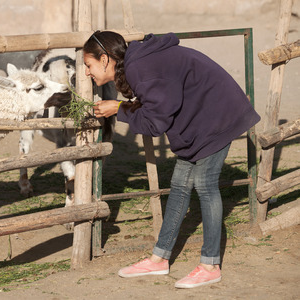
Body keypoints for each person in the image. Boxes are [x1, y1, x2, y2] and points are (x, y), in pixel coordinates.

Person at [83, 30, 260, 289]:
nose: (88, 72)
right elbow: (161, 106)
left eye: (89, 65)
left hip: (217, 117)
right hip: (198, 119)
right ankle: (159, 258)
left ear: (105, 59)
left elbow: (155, 123)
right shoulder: (136, 63)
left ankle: (210, 265)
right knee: (178, 186)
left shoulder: (140, 66)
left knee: (206, 185)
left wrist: (119, 109)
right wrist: (122, 108)